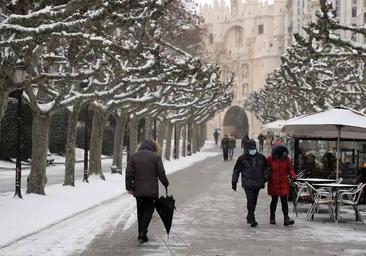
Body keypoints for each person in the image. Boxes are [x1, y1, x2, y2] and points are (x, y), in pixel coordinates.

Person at [125, 139, 169, 243]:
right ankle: (143, 232)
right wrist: (165, 183)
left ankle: (141, 232)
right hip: (151, 190)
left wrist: (129, 187)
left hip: (138, 190)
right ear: (153, 147)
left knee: (140, 211)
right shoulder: (155, 157)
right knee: (149, 210)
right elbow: (161, 173)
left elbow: (129, 173)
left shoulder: (134, 157)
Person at [232, 139, 268, 227]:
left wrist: (265, 178)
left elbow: (266, 169)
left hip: (258, 182)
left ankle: (249, 215)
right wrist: (234, 181)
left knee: (254, 201)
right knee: (250, 199)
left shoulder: (261, 158)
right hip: (247, 182)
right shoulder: (243, 158)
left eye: (253, 148)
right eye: (250, 148)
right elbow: (236, 170)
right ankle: (252, 218)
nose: (252, 150)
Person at [267, 144, 296, 226]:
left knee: (284, 201)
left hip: (283, 182)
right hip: (273, 182)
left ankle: (286, 218)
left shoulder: (286, 160)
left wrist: (293, 175)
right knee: (274, 201)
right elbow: (265, 168)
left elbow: (290, 169)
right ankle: (272, 217)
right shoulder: (270, 159)